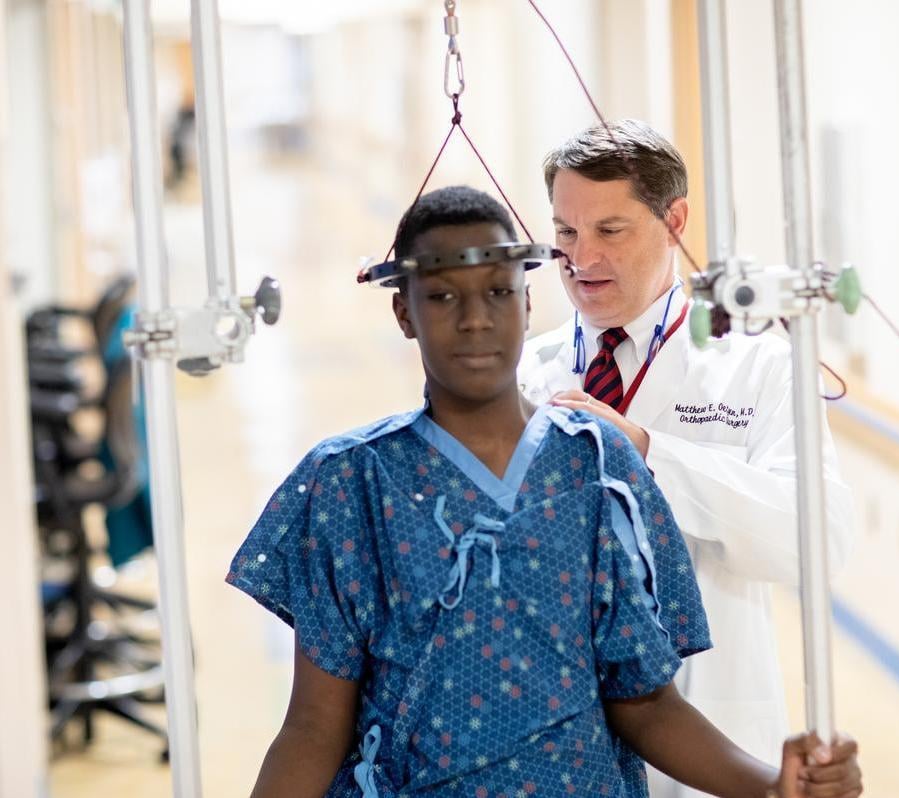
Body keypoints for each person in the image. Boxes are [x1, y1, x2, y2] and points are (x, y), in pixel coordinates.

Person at [227, 186, 862, 797]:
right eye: (444, 296)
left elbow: (645, 703)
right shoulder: (349, 483)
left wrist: (772, 788)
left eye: (499, 292)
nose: (475, 319)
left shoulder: (598, 466)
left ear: (528, 304)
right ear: (404, 312)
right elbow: (312, 727)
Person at [518, 120, 857, 777]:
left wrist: (645, 453)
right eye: (565, 233)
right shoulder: (526, 375)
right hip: (553, 736)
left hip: (711, 731)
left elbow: (818, 540)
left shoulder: (756, 367)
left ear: (673, 219)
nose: (582, 260)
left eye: (609, 231)